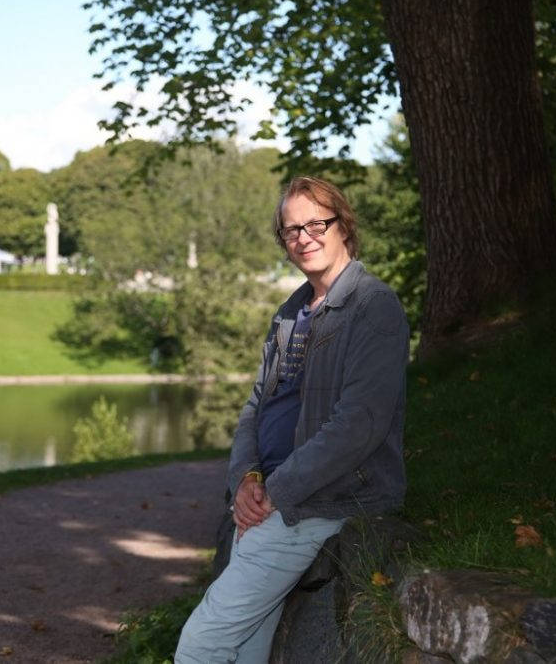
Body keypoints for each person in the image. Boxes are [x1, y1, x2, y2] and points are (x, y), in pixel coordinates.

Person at [175, 176, 409, 663]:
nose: (304, 237)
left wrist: (275, 492)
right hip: (277, 499)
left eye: (316, 224)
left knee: (204, 643)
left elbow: (358, 425)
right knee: (245, 646)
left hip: (327, 499)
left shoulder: (372, 306)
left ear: (343, 226)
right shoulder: (291, 313)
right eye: (291, 230)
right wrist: (246, 478)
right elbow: (256, 407)